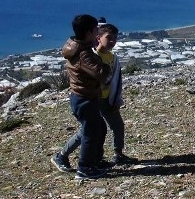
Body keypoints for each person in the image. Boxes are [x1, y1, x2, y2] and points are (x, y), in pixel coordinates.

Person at [55, 23, 135, 168]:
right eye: (109, 38)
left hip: (108, 99)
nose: (112, 41)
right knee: (88, 130)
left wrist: (117, 98)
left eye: (115, 38)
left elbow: (116, 80)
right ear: (98, 38)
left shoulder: (112, 57)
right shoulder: (92, 57)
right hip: (94, 99)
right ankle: (62, 155)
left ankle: (118, 155)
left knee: (117, 126)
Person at [52, 14, 112, 180]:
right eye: (95, 30)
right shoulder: (84, 54)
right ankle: (85, 168)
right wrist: (106, 66)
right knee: (90, 133)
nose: (97, 33)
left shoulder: (75, 46)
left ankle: (94, 162)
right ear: (89, 33)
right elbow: (102, 75)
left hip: (82, 96)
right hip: (85, 98)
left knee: (99, 128)